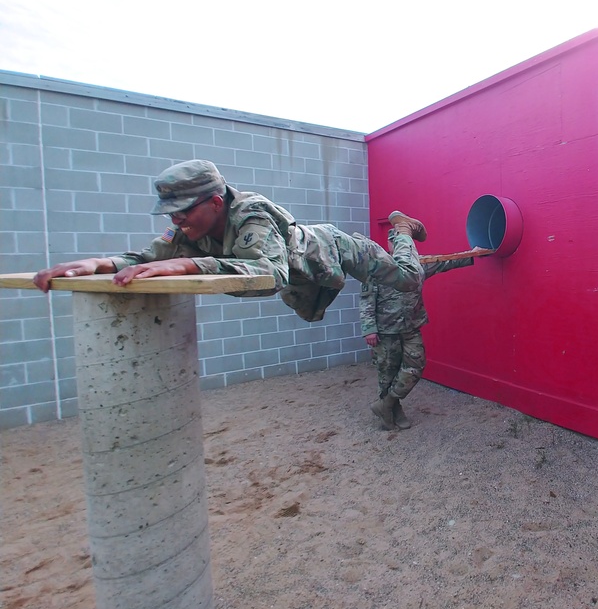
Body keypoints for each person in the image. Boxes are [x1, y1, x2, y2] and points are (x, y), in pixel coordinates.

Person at [32, 159, 426, 322]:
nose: (176, 218)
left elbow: (269, 274)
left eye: (184, 209)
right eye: (171, 211)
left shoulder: (250, 214)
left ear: (216, 202)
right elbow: (147, 257)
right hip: (313, 271)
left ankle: (402, 228)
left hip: (337, 248)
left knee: (409, 279)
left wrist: (188, 264)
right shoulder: (189, 229)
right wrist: (98, 264)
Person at [362, 243, 490, 430]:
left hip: (411, 327)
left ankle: (386, 404)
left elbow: (444, 262)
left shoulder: (417, 265)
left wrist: (474, 254)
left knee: (416, 364)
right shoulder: (378, 266)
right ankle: (393, 411)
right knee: (387, 371)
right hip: (385, 330)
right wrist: (369, 328)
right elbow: (366, 299)